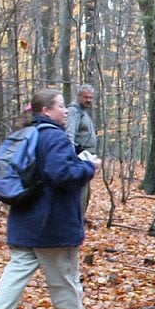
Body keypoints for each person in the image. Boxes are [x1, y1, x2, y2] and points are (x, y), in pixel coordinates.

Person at [0, 88, 100, 309]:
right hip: (52, 224)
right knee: (65, 279)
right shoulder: (54, 138)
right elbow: (61, 175)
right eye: (60, 106)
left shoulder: (24, 134)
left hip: (24, 220)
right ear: (46, 110)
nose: (66, 110)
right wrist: (89, 168)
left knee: (15, 273)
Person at [66, 83, 98, 217]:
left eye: (91, 98)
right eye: (86, 97)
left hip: (87, 157)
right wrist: (72, 156)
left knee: (85, 190)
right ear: (79, 96)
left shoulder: (83, 113)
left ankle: (80, 217)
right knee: (79, 190)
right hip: (79, 157)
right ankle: (75, 217)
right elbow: (69, 133)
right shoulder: (74, 111)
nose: (89, 100)